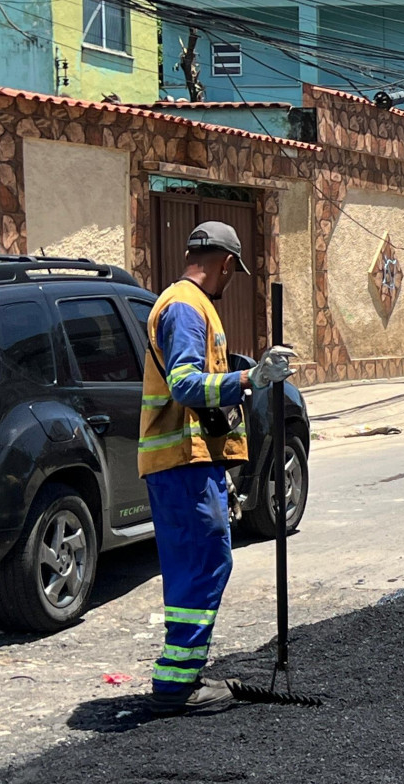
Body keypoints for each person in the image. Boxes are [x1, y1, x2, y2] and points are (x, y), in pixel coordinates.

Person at [139, 222, 294, 713]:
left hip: (193, 462)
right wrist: (249, 376)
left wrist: (223, 461)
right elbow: (185, 384)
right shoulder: (186, 306)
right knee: (201, 564)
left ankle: (182, 675)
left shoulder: (186, 304)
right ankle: (178, 687)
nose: (231, 281)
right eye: (233, 272)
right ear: (226, 262)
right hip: (180, 465)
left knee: (204, 562)